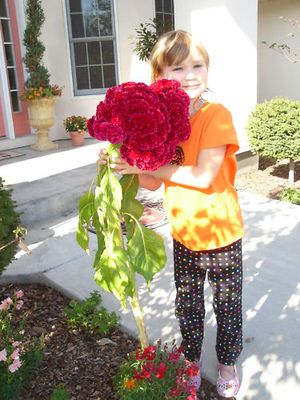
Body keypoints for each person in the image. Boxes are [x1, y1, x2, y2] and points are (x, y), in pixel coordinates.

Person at [99, 30, 244, 398]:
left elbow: (202, 175)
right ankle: (192, 361)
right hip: (183, 231)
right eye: (178, 68)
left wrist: (143, 163)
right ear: (160, 77)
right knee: (189, 304)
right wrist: (122, 161)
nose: (190, 74)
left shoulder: (216, 115)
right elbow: (148, 183)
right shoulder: (165, 118)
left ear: (208, 70)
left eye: (198, 65)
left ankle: (227, 361)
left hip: (221, 231)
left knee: (227, 305)